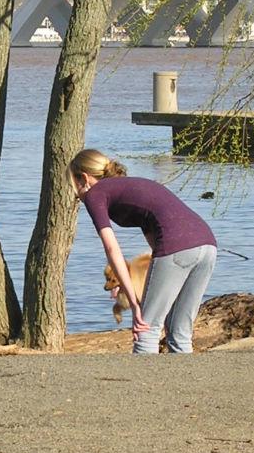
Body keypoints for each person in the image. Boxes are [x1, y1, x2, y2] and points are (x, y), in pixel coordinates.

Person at [70, 149, 217, 354]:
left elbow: (112, 248)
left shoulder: (95, 193)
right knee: (180, 333)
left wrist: (134, 302)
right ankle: (184, 384)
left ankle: (138, 385)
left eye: (73, 185)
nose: (76, 193)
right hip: (207, 244)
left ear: (84, 178)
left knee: (145, 328)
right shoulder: (129, 185)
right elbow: (152, 230)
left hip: (176, 245)